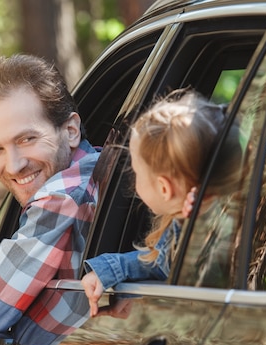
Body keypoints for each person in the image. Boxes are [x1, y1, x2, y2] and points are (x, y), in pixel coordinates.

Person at [0, 54, 100, 341]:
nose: (13, 166)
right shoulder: (98, 167)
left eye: (26, 139)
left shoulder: (60, 198)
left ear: (70, 131)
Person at [81, 89, 242, 316]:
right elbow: (159, 263)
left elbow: (204, 279)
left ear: (164, 188)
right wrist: (110, 271)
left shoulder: (210, 233)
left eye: (136, 172)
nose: (134, 181)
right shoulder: (181, 225)